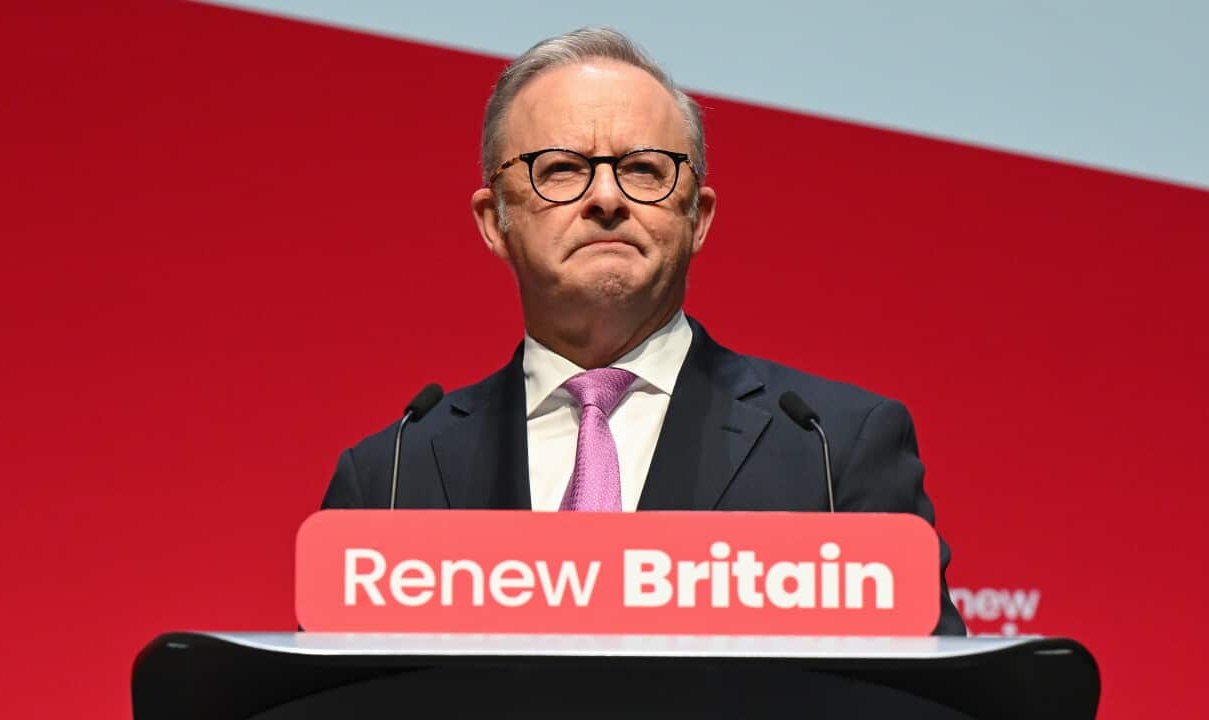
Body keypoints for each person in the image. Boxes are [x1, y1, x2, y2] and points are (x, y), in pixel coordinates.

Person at [322, 27, 965, 635]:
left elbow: (919, 694)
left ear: (698, 218)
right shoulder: (391, 478)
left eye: (645, 170)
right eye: (561, 168)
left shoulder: (831, 451)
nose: (607, 198)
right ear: (495, 221)